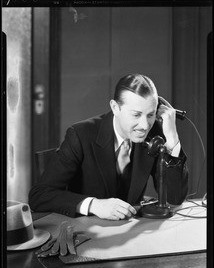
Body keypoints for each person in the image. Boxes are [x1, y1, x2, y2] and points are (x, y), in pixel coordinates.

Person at [29, 74, 188, 220]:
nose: (144, 125)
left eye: (150, 114)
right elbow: (39, 195)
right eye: (136, 115)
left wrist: (172, 140)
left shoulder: (154, 136)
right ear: (115, 108)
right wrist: (94, 204)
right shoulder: (80, 135)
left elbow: (174, 198)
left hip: (132, 232)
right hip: (88, 233)